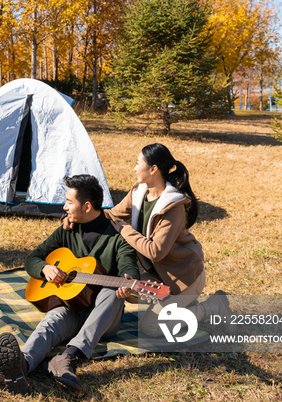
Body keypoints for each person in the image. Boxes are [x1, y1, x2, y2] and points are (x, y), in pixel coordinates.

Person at [0, 175, 139, 394]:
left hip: (105, 318)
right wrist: (45, 269)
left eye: (69, 202)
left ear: (87, 206)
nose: (64, 207)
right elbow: (32, 259)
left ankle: (69, 356)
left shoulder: (117, 238)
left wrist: (128, 282)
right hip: (72, 307)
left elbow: (129, 266)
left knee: (111, 293)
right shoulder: (66, 231)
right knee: (52, 320)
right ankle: (22, 366)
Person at [74, 143, 232, 337]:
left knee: (150, 329)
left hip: (183, 278)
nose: (134, 168)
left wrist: (125, 229)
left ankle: (213, 305)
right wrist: (79, 216)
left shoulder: (173, 207)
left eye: (138, 162)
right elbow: (113, 215)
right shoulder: (139, 192)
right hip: (158, 274)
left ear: (153, 169)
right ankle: (177, 304)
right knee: (125, 289)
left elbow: (155, 251)